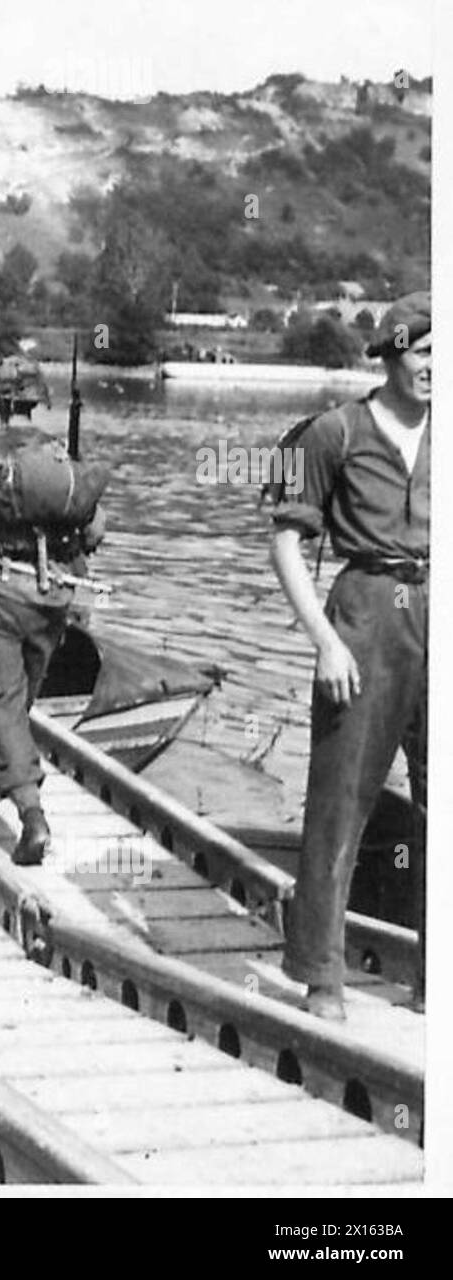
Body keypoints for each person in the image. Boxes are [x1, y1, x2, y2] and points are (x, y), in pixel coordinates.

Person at [268, 290, 429, 1021]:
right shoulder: (335, 432)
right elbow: (285, 543)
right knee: (341, 800)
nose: (435, 368)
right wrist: (326, 640)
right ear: (392, 354)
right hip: (366, 615)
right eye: (423, 353)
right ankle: (323, 976)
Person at [0, 357, 109, 866]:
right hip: (54, 597)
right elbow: (96, 532)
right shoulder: (60, 456)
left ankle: (32, 815)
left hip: (0, 595)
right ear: (35, 401)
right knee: (17, 699)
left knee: (3, 699)